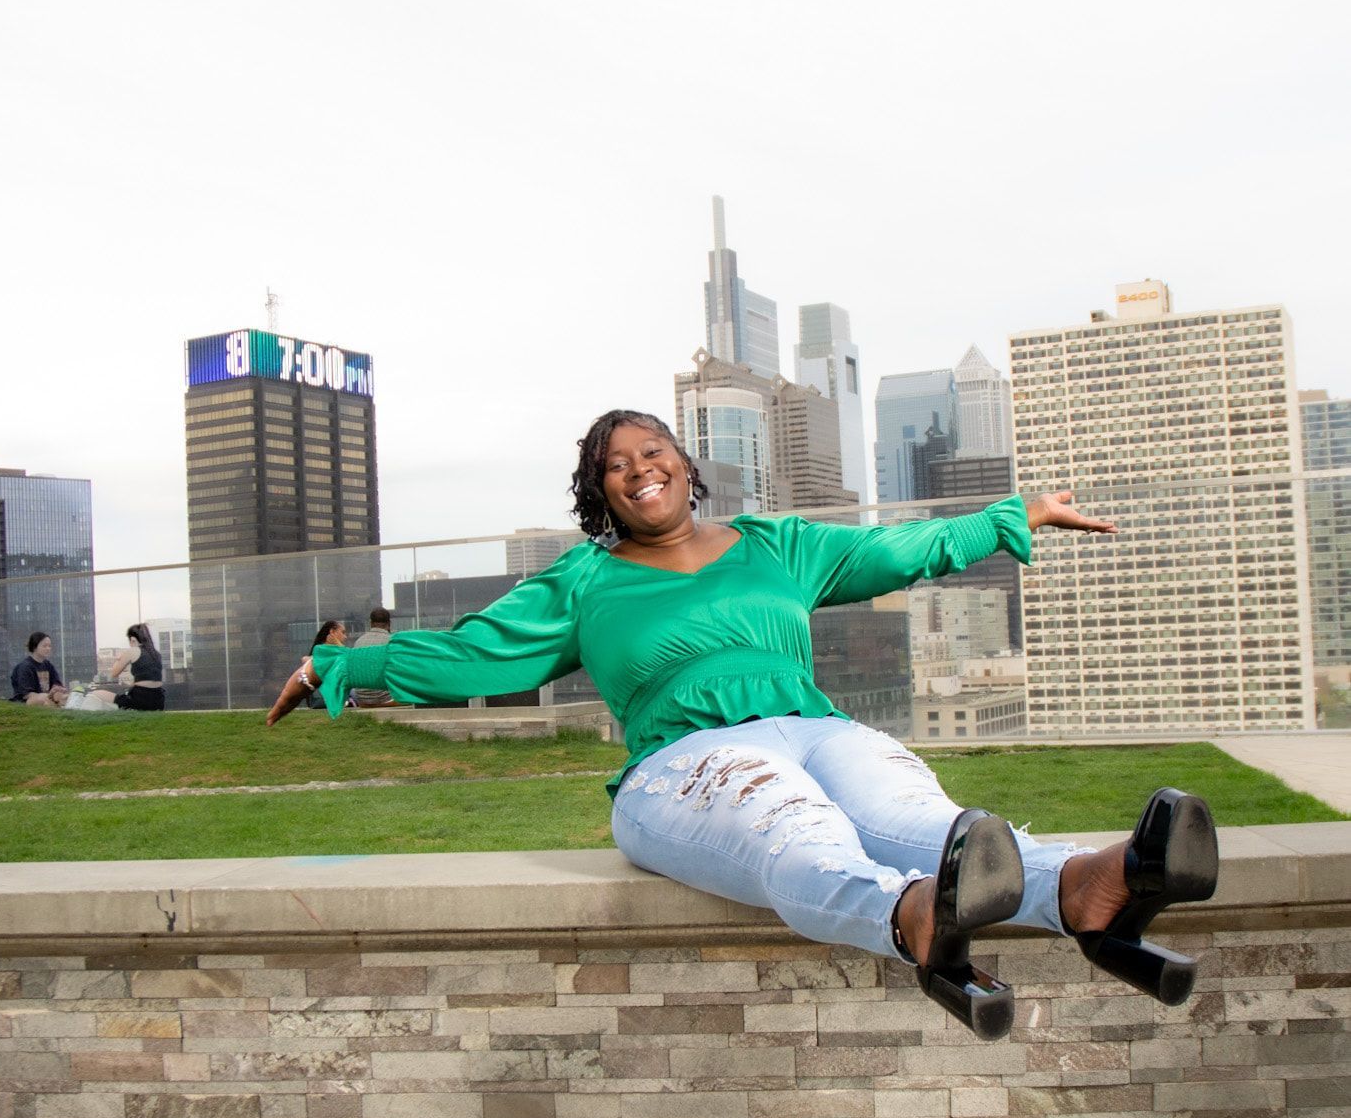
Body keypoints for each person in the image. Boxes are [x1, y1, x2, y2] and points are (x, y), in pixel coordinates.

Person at [268, 409, 1218, 1042]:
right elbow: (472, 654)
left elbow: (901, 547)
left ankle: (1093, 886)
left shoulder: (780, 546)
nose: (638, 470)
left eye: (652, 453)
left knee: (929, 825)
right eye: (614, 466)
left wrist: (1014, 516)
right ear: (598, 494)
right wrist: (341, 665)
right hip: (684, 766)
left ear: (685, 466)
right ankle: (911, 916)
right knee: (793, 831)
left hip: (819, 729)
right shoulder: (580, 583)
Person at [101, 623, 166, 712]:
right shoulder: (156, 654)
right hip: (158, 702)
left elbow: (114, 673)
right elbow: (147, 680)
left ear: (133, 639)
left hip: (139, 701)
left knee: (95, 694)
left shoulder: (133, 650)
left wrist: (119, 658)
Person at [349, 607, 394, 707]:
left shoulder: (358, 642)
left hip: (361, 697)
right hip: (386, 698)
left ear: (371, 623)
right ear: (389, 623)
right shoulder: (392, 642)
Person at [10, 632, 68, 707]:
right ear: (34, 647)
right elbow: (26, 694)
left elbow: (56, 684)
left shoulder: (48, 665)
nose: (48, 649)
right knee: (44, 698)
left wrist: (58, 690)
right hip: (27, 701)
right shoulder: (25, 667)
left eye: (49, 646)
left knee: (66, 696)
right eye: (44, 646)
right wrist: (48, 696)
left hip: (47, 697)